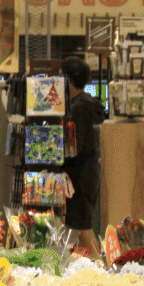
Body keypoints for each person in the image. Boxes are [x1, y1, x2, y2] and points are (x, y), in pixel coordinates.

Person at [61, 56, 107, 257]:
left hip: (79, 174)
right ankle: (92, 265)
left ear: (69, 80)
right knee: (81, 223)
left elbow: (73, 147)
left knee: (83, 224)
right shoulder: (87, 104)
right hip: (88, 171)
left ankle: (101, 266)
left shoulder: (78, 108)